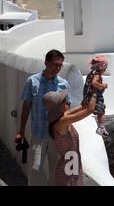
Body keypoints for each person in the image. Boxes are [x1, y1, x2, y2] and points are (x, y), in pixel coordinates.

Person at [15, 49, 72, 186]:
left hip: (57, 135)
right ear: (46, 62)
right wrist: (21, 131)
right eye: (54, 64)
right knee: (35, 169)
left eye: (60, 65)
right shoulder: (32, 81)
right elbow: (26, 106)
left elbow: (67, 107)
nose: (57, 68)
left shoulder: (63, 84)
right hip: (38, 133)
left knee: (55, 170)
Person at [44, 90, 96, 186]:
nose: (67, 101)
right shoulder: (62, 121)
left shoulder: (63, 116)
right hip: (68, 172)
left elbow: (83, 107)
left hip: (73, 168)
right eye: (64, 101)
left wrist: (90, 91)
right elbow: (90, 110)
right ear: (58, 107)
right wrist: (95, 92)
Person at [82, 54, 109, 137]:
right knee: (102, 111)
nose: (105, 69)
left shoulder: (92, 73)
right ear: (101, 67)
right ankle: (101, 127)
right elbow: (94, 83)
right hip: (95, 97)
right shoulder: (97, 75)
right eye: (105, 67)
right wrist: (102, 86)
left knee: (100, 111)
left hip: (89, 95)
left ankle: (101, 127)